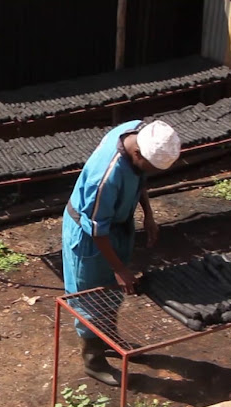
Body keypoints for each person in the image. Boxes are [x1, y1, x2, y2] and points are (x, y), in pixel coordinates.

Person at [62, 119, 180, 386]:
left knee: (112, 292)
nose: (149, 171)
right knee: (90, 296)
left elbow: (140, 179)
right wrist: (119, 269)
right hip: (90, 235)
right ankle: (93, 360)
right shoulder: (105, 177)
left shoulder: (140, 132)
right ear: (138, 154)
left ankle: (109, 337)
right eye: (149, 166)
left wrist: (148, 215)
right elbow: (96, 229)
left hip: (118, 223)